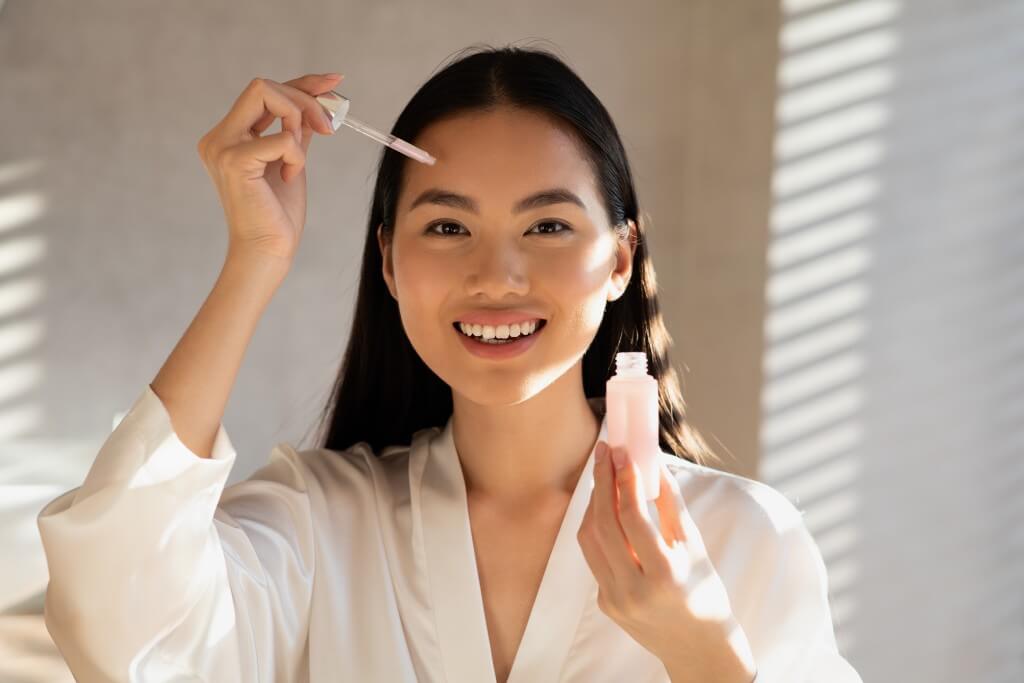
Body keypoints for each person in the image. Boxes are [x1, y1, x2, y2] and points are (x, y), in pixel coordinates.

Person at [36, 46, 862, 682]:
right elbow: (118, 623)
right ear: (389, 261)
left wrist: (707, 653)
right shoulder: (321, 527)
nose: (497, 277)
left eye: (546, 227)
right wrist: (255, 256)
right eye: (446, 226)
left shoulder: (745, 540)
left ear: (620, 259)